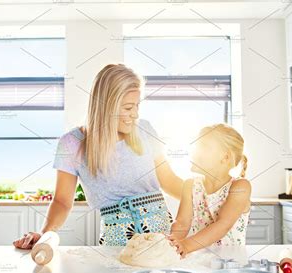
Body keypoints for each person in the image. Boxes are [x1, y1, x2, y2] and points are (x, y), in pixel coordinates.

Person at [13, 64, 183, 248]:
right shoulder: (71, 143)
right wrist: (45, 235)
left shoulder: (145, 130)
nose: (135, 114)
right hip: (115, 242)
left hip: (160, 237)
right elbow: (62, 201)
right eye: (127, 107)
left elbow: (170, 181)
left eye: (137, 106)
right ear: (106, 106)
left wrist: (207, 194)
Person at [169, 124, 251, 257]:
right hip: (200, 260)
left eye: (204, 147)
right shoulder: (190, 185)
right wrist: (171, 242)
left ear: (225, 157)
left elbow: (223, 224)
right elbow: (182, 223)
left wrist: (186, 245)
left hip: (231, 263)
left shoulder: (240, 187)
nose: (195, 151)